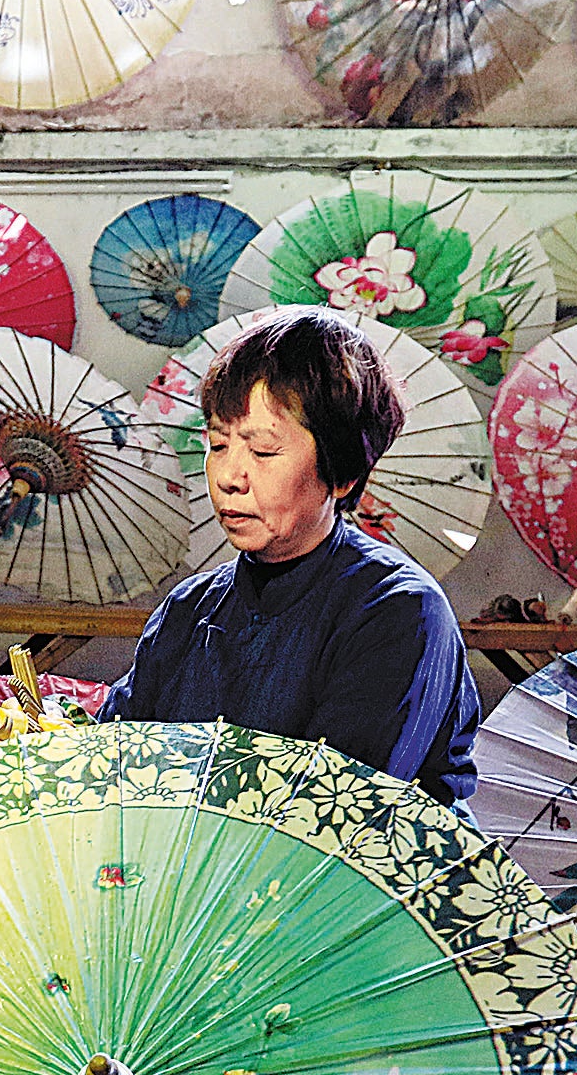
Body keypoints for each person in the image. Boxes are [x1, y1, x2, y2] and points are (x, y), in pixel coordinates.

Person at [104, 311, 479, 804]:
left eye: (262, 451)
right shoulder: (188, 608)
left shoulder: (400, 611)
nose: (228, 476)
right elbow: (116, 755)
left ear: (342, 473)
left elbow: (336, 811)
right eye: (218, 443)